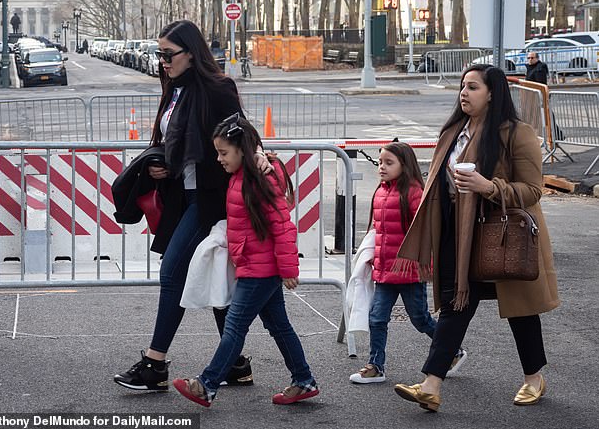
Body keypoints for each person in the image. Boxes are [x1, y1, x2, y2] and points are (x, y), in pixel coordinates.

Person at [113, 20, 271, 392]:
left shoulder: (218, 88)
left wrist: (260, 154)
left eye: (168, 54)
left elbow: (242, 132)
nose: (162, 61)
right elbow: (171, 140)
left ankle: (155, 364)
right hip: (182, 195)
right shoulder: (173, 88)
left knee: (173, 272)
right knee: (212, 273)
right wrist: (160, 163)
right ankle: (233, 363)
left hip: (210, 199)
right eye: (159, 54)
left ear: (191, 53)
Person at [392, 65, 559, 412]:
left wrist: (488, 186)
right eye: (462, 87)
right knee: (456, 306)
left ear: (493, 93)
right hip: (460, 233)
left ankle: (533, 378)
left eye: (473, 87)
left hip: (502, 234)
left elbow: (532, 191)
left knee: (520, 310)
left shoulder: (516, 133)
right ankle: (431, 385)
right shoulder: (454, 131)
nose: (463, 93)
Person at [173, 115, 319, 407]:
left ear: (242, 150)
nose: (219, 159)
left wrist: (289, 269)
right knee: (279, 326)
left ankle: (207, 384)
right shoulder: (244, 175)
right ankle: (303, 380)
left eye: (224, 153)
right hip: (254, 265)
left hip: (260, 269)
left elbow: (282, 225)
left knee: (235, 327)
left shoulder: (260, 178)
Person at [349, 142, 467, 385]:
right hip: (384, 271)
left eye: (389, 163)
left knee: (420, 319)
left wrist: (427, 265)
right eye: (380, 161)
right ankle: (376, 365)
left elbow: (426, 231)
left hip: (410, 272)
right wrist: (372, 255)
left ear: (405, 165)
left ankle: (452, 350)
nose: (382, 167)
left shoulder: (414, 193)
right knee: (376, 318)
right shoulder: (380, 192)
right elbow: (378, 231)